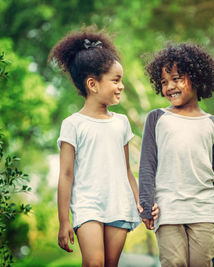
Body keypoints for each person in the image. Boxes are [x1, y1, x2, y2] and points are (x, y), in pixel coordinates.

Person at [50, 27, 158, 267]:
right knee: (95, 262)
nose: (121, 86)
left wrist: (142, 203)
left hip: (118, 203)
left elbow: (127, 170)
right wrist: (63, 221)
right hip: (87, 204)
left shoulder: (121, 123)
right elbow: (66, 175)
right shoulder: (72, 124)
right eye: (116, 80)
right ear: (93, 84)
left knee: (110, 264)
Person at [139, 43, 214, 267]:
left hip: (202, 212)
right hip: (168, 210)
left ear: (196, 78)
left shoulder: (213, 125)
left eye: (177, 78)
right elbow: (147, 165)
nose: (169, 87)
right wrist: (146, 202)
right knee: (174, 262)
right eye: (164, 82)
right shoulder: (157, 118)